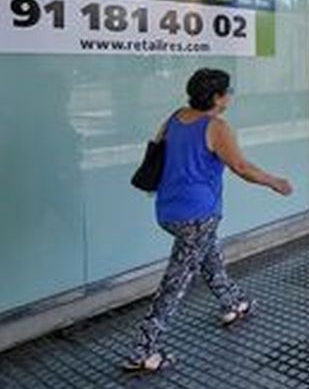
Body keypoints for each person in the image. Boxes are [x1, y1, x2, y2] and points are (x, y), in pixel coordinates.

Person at [125, 68, 293, 373]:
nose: (231, 96)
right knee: (174, 284)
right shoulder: (216, 127)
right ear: (217, 98)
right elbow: (241, 166)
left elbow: (158, 150)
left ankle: (234, 303)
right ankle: (144, 350)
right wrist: (275, 182)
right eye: (228, 91)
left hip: (169, 210)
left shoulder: (176, 117)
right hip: (198, 214)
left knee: (209, 258)